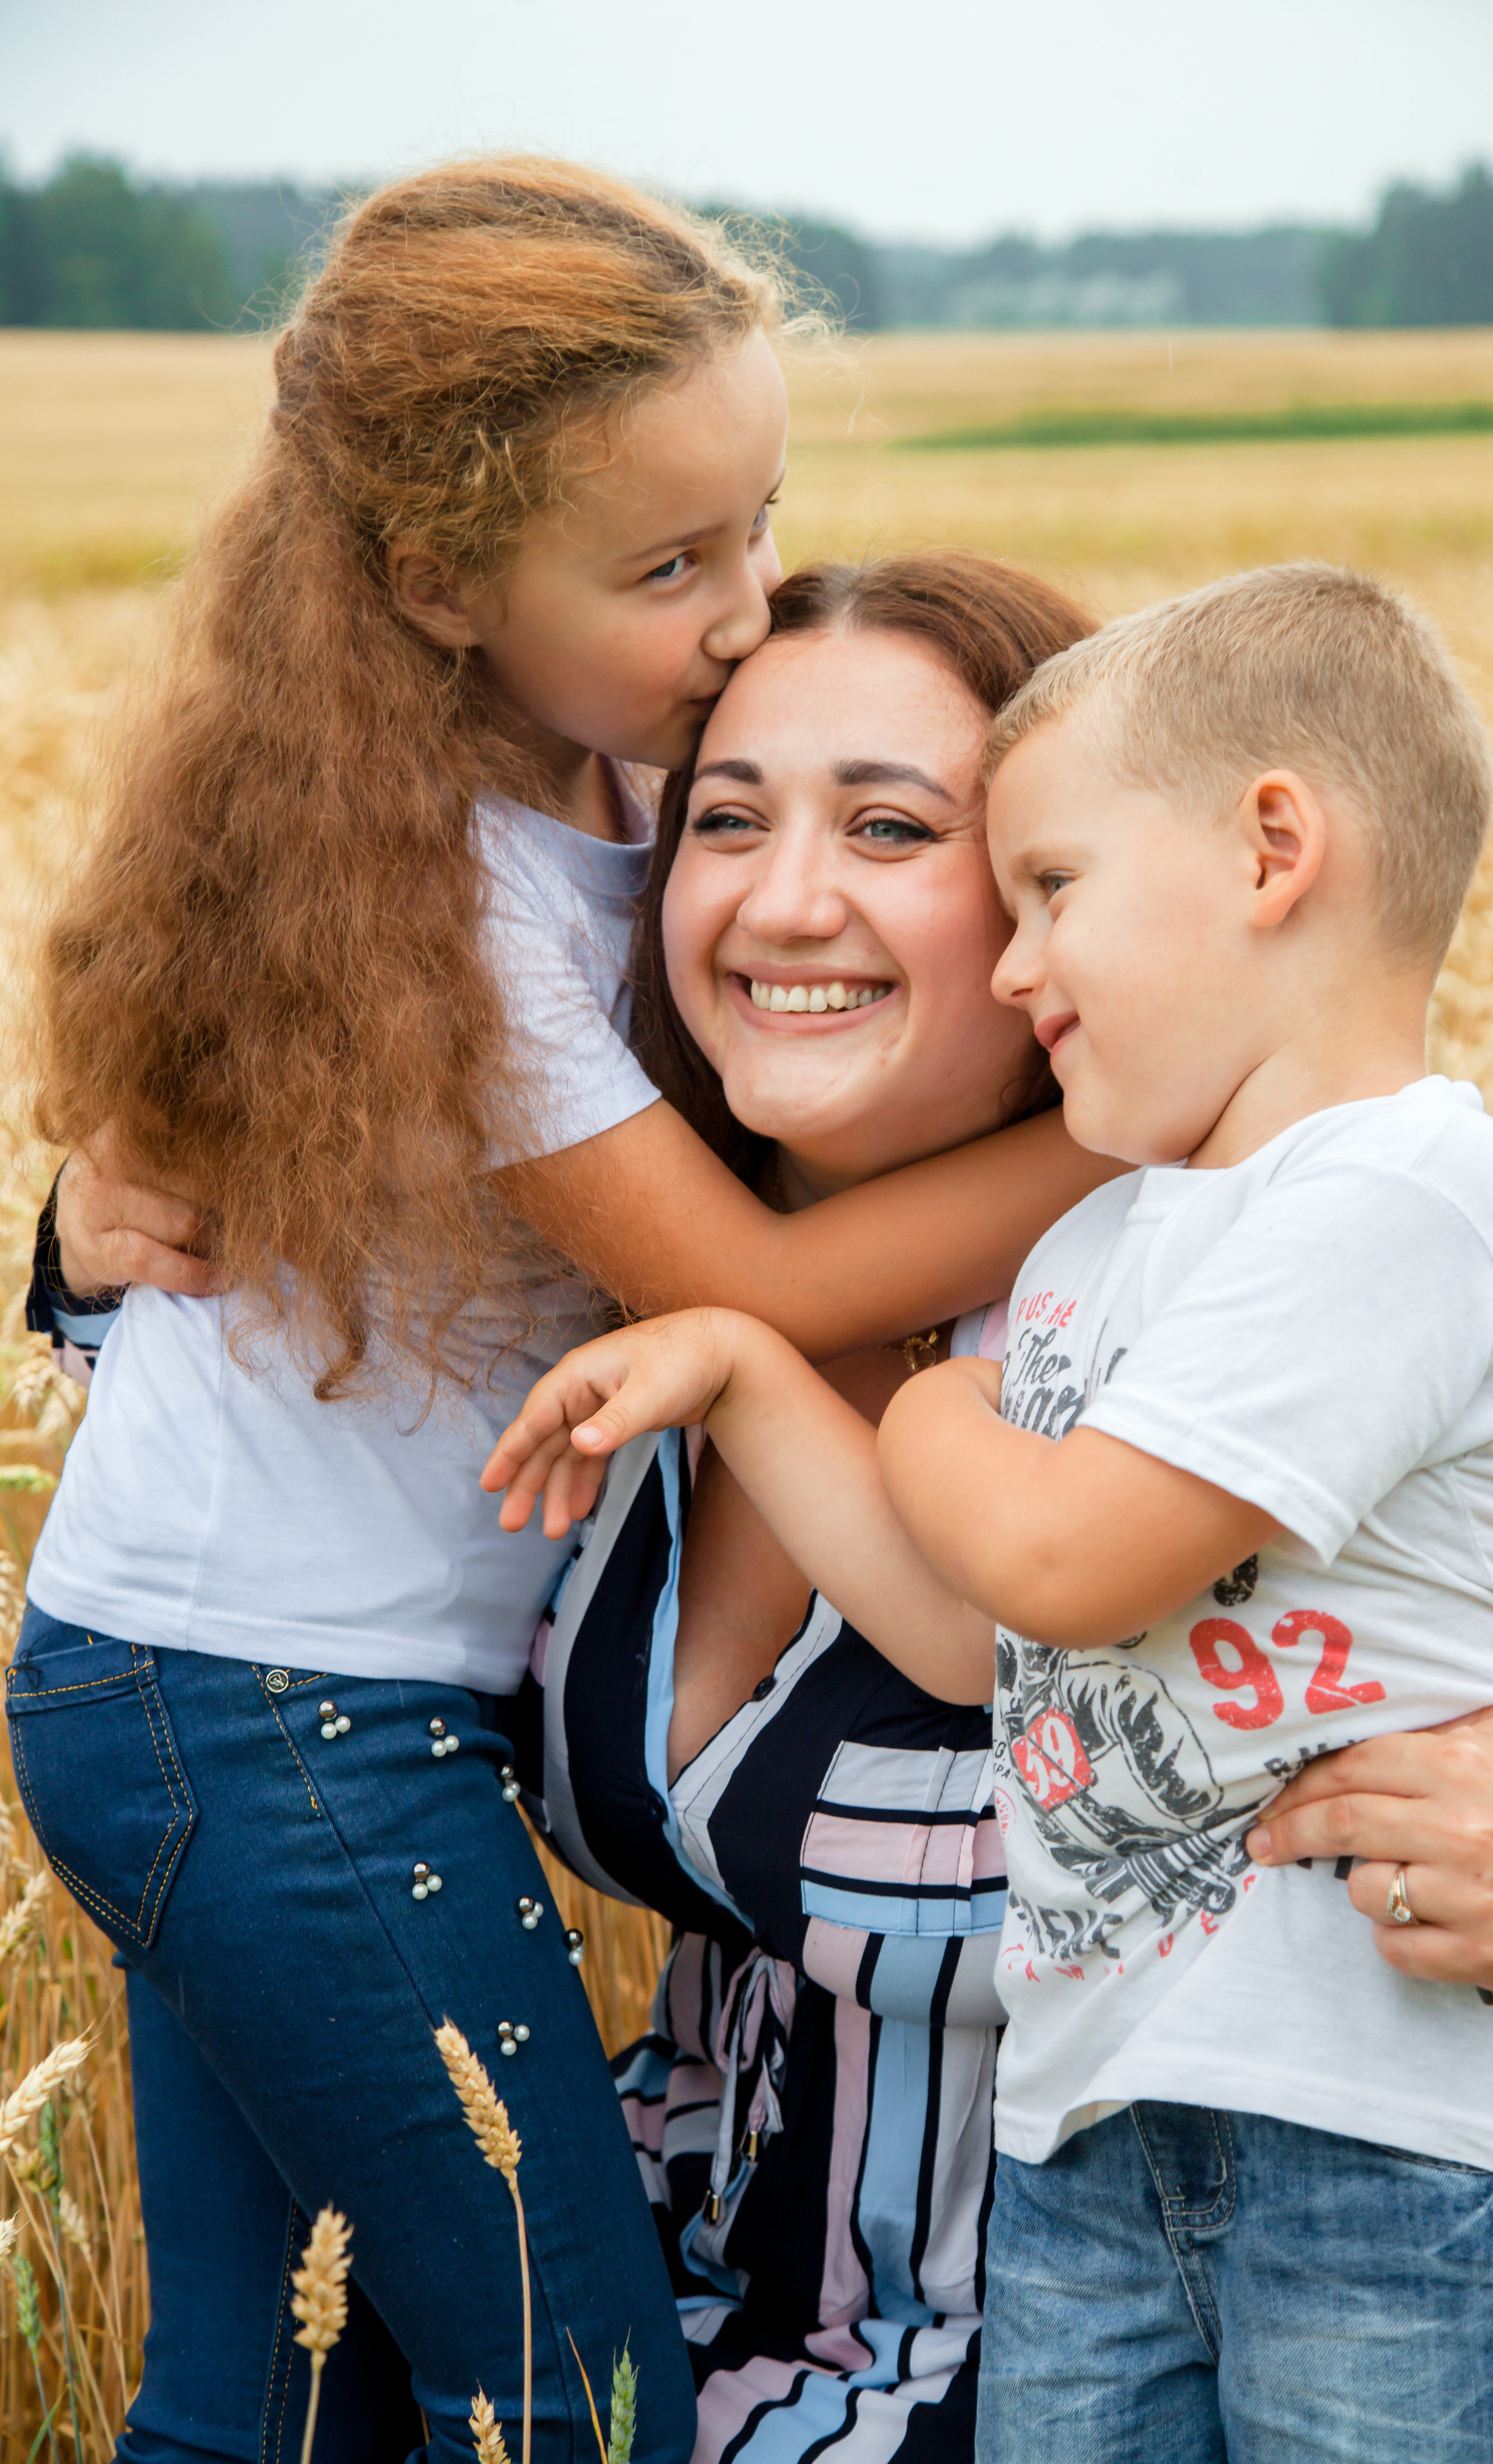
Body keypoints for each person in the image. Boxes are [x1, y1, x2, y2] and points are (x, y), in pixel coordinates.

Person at [8, 165, 1100, 2464]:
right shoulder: (448, 903)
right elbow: (758, 1288)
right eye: (668, 565)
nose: (746, 611)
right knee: (572, 2393)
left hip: (211, 1685)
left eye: (757, 525)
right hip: (271, 1709)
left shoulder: (634, 779)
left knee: (268, 2405)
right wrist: (1146, 1114)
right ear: (436, 582)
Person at [485, 564, 1493, 2462]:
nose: (788, 899)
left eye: (901, 832)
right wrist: (106, 1231)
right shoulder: (582, 1305)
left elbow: (1094, 1574)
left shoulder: (1323, 1258)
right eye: (726, 821)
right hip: (781, 2322)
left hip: (1296, 2226)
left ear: (1254, 858)